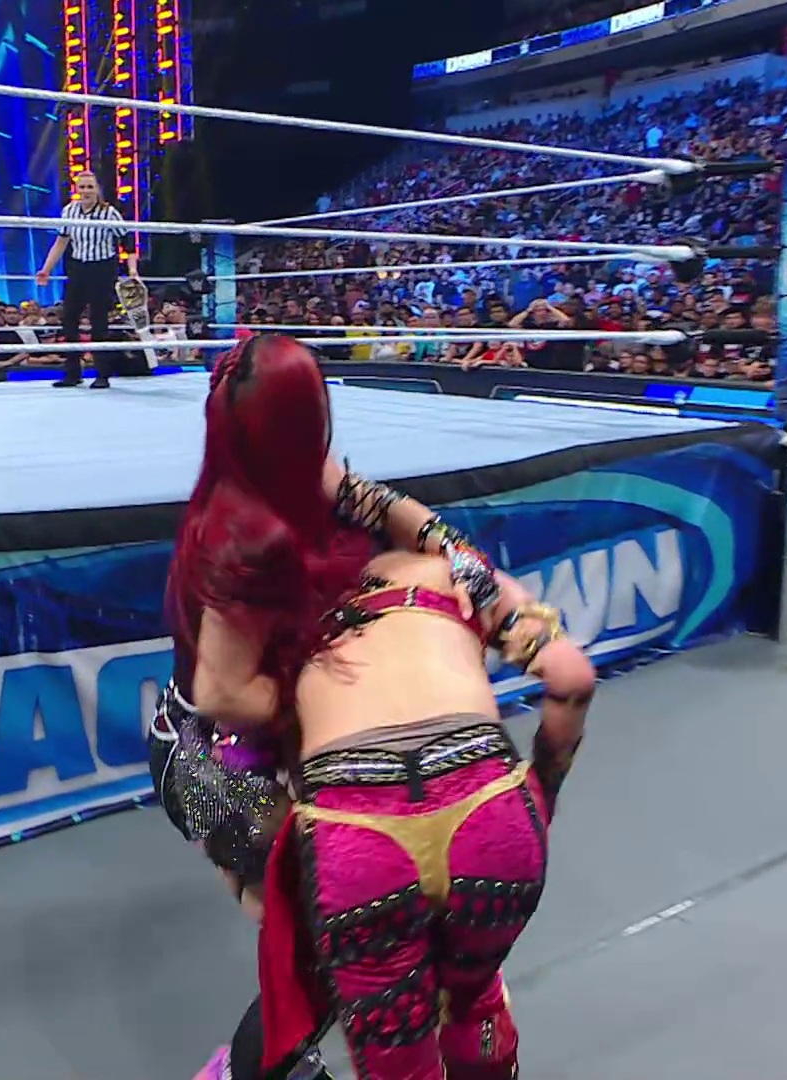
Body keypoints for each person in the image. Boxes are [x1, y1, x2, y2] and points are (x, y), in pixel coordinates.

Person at [173, 335, 597, 1080]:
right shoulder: (434, 569)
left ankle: (252, 1063)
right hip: (486, 811)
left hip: (348, 825)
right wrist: (538, 802)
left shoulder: (254, 563)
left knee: (312, 928)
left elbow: (213, 700)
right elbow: (570, 676)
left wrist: (308, 707)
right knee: (468, 992)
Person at [34, 171, 141, 389]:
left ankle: (102, 374)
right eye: (82, 187)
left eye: (90, 187)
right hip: (78, 267)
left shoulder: (109, 213)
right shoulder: (69, 211)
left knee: (98, 320)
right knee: (69, 318)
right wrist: (46, 269)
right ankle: (73, 373)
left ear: (97, 189)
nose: (86, 191)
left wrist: (132, 270)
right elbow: (61, 242)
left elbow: (128, 242)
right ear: (76, 189)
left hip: (102, 268)